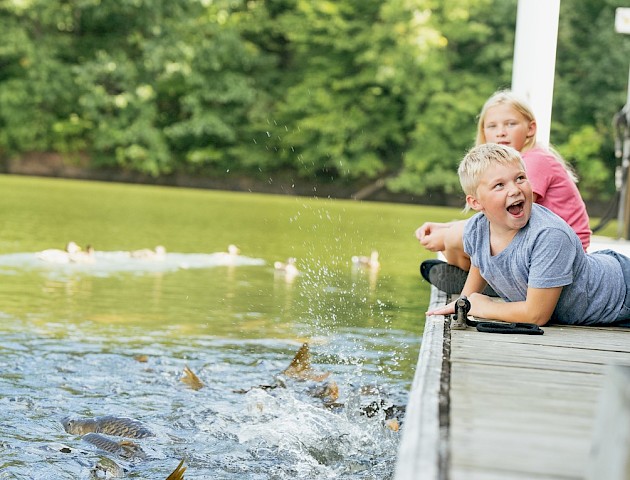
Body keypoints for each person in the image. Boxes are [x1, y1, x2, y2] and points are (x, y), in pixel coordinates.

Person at [426, 143, 630, 328]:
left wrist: (485, 307)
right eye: (499, 185)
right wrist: (464, 301)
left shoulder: (549, 235)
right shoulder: (476, 229)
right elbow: (481, 263)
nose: (515, 190)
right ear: (476, 203)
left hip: (622, 293)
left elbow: (536, 315)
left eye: (520, 178)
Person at [416, 90, 591, 292]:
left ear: (530, 129)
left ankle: (493, 287)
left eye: (510, 124)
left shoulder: (534, 161)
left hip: (559, 257)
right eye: (492, 126)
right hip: (536, 246)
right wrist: (443, 227)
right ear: (483, 132)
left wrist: (448, 234)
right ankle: (487, 283)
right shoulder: (509, 165)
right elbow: (495, 220)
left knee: (455, 238)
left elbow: (504, 217)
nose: (501, 132)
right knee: (454, 237)